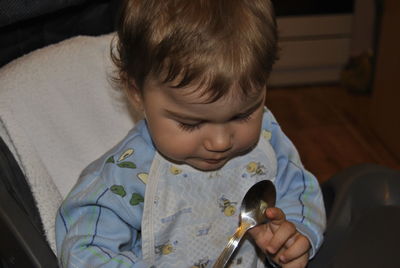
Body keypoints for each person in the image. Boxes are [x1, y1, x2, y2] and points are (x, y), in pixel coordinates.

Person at [55, 0, 326, 267]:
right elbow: (83, 248)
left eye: (242, 115)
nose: (220, 142)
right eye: (190, 123)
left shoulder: (268, 138)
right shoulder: (126, 176)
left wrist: (292, 238)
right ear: (137, 93)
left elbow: (299, 190)